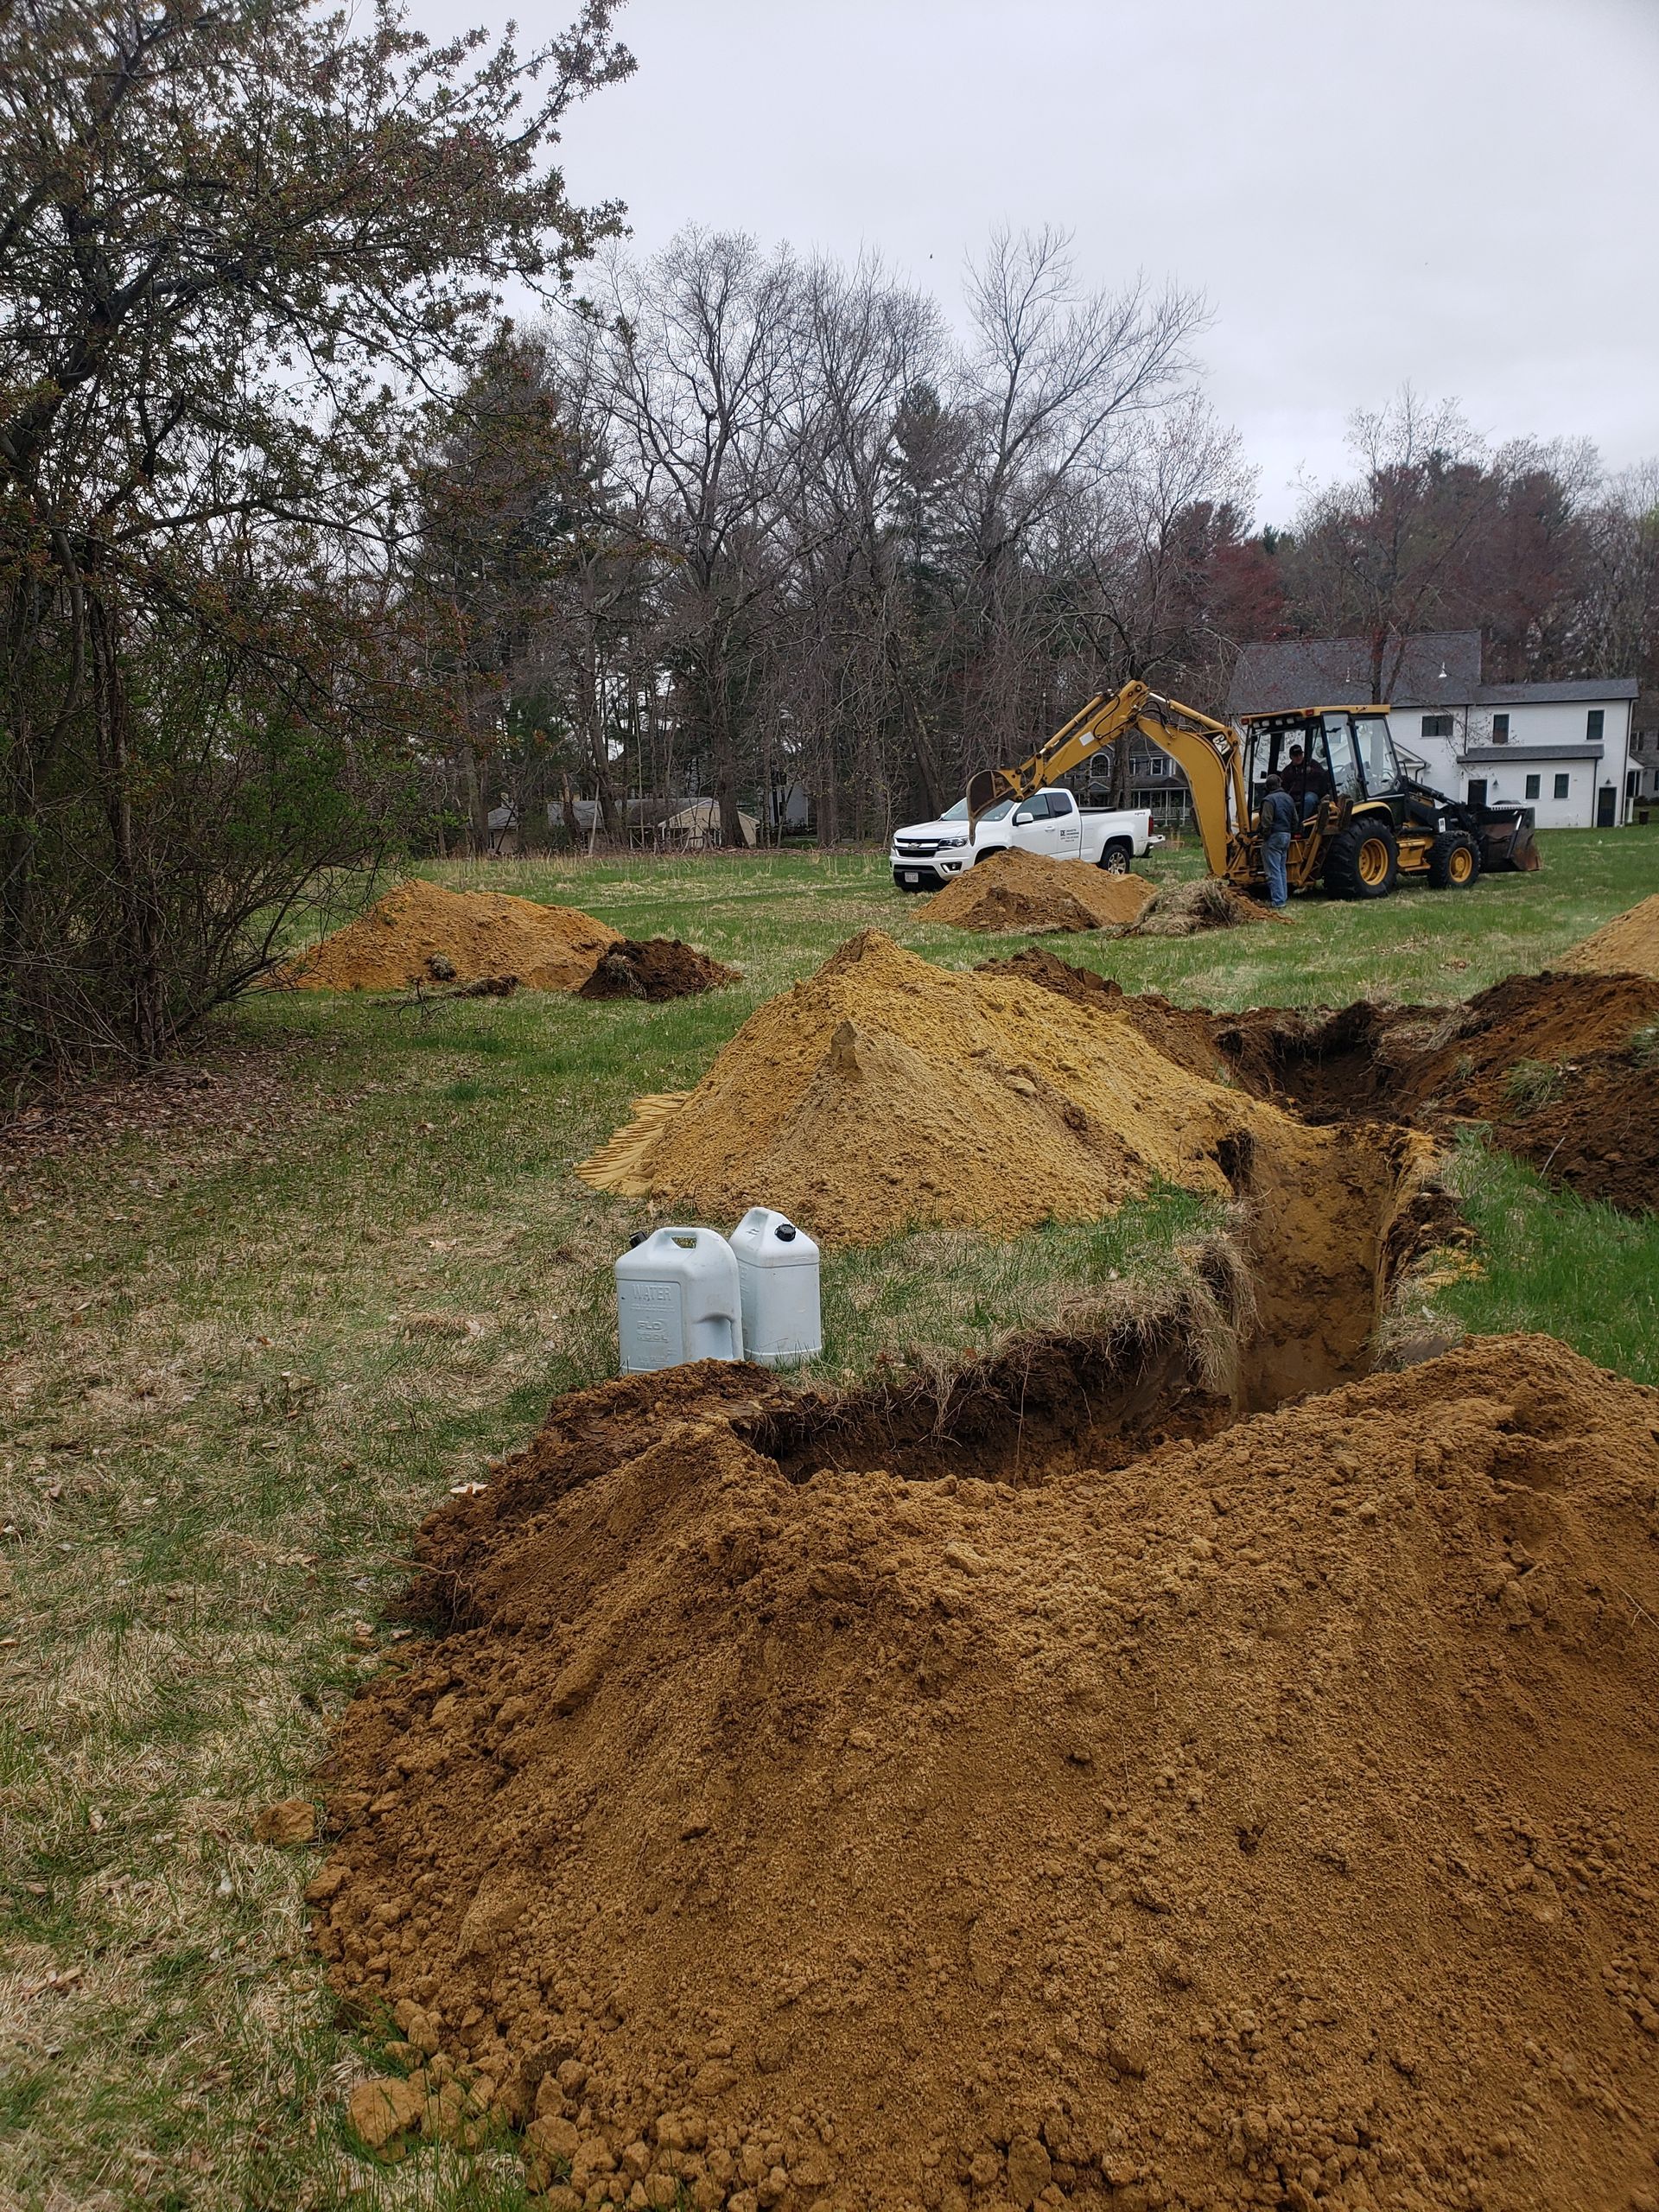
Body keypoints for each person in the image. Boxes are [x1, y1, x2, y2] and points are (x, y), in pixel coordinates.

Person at [1258, 772, 1298, 908]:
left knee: (1273, 870)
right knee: (1281, 869)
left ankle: (1278, 901)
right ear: (1280, 784)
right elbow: (1295, 820)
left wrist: (1264, 835)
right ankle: (1283, 897)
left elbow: (1266, 821)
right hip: (1286, 836)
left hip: (1274, 836)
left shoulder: (1269, 800)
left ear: (1268, 787)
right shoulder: (1288, 798)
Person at [1281, 742, 1330, 817]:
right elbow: (1284, 786)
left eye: (1300, 754)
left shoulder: (1312, 764)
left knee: (1308, 800)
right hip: (1294, 796)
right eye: (1295, 755)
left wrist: (1312, 771)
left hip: (1311, 794)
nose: (1298, 757)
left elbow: (1323, 775)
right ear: (1291, 757)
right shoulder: (1287, 771)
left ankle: (1301, 823)